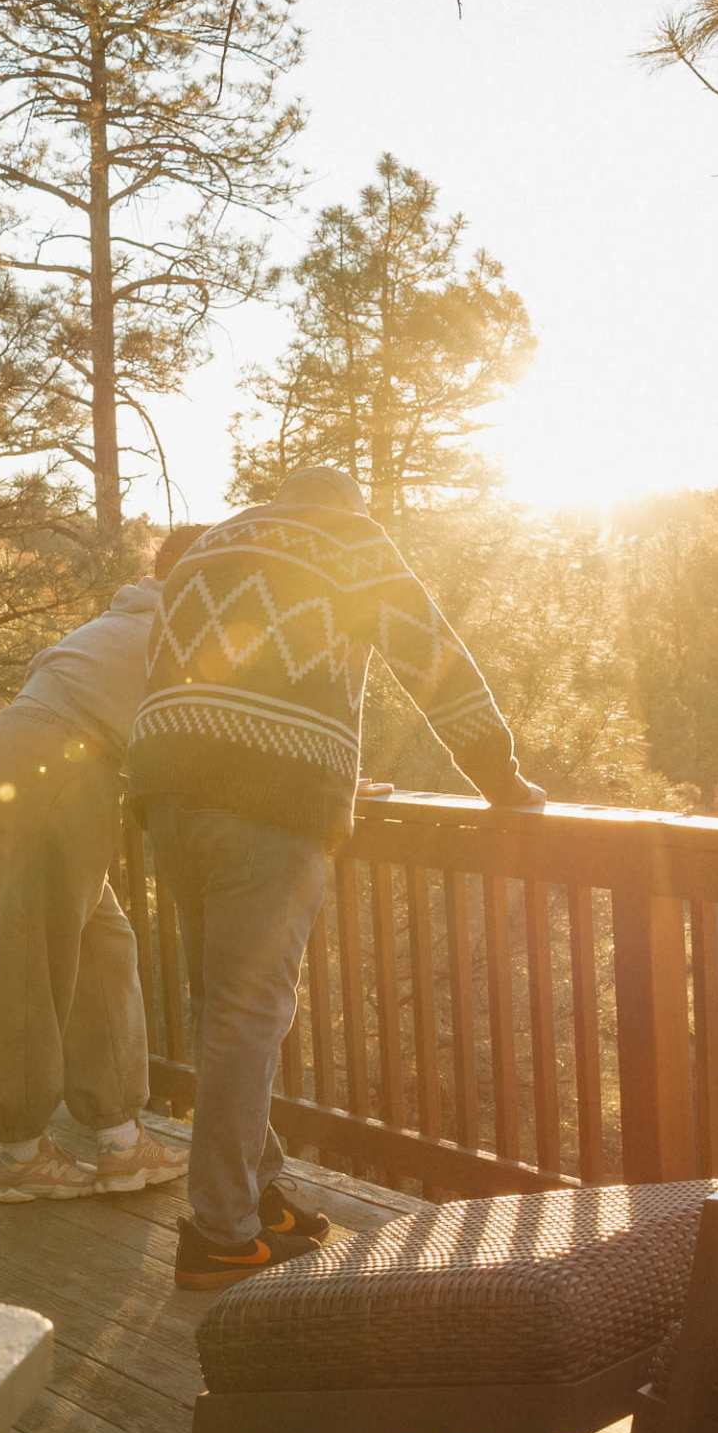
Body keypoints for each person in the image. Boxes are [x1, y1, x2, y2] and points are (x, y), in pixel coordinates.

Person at [127, 464, 547, 1288]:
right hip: (267, 805)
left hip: (167, 788)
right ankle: (220, 1230)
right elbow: (436, 661)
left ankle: (259, 1190)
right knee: (248, 1013)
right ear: (349, 506)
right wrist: (503, 780)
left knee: (225, 1006)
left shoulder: (213, 542)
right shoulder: (352, 541)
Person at [0, 528, 206, 1202]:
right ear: (201, 570)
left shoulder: (124, 616)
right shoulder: (181, 625)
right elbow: (215, 732)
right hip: (56, 776)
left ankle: (120, 1139)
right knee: (31, 960)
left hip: (18, 758)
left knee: (101, 946)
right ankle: (19, 1152)